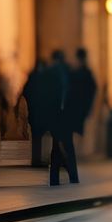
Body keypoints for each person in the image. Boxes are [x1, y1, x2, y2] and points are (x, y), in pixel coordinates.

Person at [44, 49, 79, 186]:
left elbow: (46, 97)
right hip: (66, 115)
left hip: (56, 115)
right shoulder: (69, 72)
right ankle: (72, 176)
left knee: (57, 147)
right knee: (67, 146)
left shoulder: (50, 73)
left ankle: (55, 178)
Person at [68, 45, 99, 147]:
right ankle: (82, 149)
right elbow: (93, 88)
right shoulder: (86, 72)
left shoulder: (77, 72)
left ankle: (81, 150)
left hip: (78, 106)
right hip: (83, 105)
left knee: (78, 130)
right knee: (81, 129)